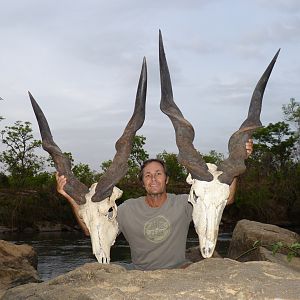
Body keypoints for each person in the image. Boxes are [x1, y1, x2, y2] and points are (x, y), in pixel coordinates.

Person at [56, 140, 253, 270]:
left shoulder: (184, 203)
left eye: (158, 173)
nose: (153, 179)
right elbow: (92, 230)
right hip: (142, 277)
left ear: (166, 179)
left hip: (180, 271)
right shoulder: (126, 210)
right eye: (148, 175)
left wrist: (237, 164)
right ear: (142, 182)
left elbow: (224, 199)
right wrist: (70, 198)